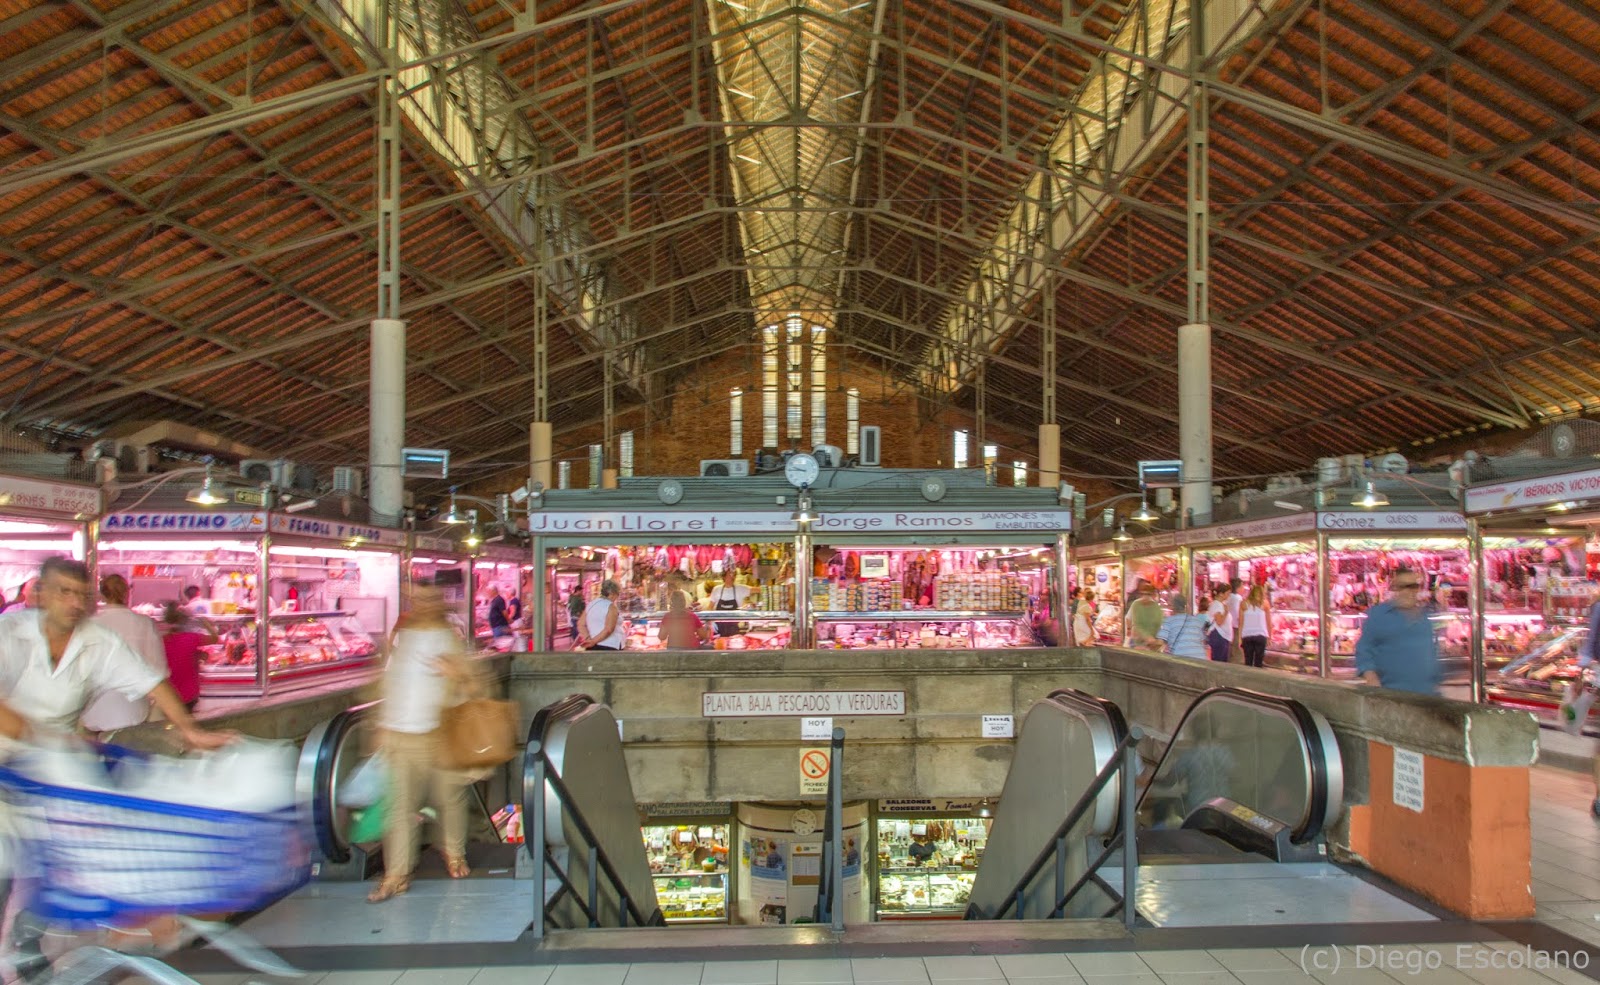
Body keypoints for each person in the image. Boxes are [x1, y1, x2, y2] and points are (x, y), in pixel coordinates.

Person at [0, 558, 230, 980]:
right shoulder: (10, 634)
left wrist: (190, 731)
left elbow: (152, 682)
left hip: (55, 768)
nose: (73, 603)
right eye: (64, 592)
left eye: (81, 595)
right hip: (9, 759)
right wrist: (37, 740)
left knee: (62, 855)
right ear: (42, 594)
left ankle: (30, 936)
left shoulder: (98, 641)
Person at [368, 584, 476, 903]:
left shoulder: (450, 638)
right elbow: (387, 681)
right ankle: (396, 875)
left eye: (430, 599)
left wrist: (455, 674)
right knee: (399, 805)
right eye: (419, 599)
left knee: (449, 797)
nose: (424, 604)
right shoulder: (401, 635)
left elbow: (472, 684)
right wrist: (382, 725)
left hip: (440, 732)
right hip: (399, 732)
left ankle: (454, 854)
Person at [82, 573, 168, 731]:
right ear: (127, 593)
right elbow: (158, 671)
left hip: (91, 713)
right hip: (132, 712)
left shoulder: (88, 624)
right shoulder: (144, 624)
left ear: (102, 594)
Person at [1353, 567, 1441, 696]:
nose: (1407, 591)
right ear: (1395, 589)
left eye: (1412, 586)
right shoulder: (1379, 615)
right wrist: (1372, 679)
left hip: (1425, 697)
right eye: (1402, 586)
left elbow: (1430, 655)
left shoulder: (1424, 619)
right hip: (1392, 696)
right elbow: (1363, 651)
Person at [160, 601, 215, 712]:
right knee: (189, 718)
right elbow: (215, 638)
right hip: (189, 693)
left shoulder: (162, 640)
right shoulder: (191, 638)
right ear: (185, 620)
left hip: (169, 693)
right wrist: (207, 624)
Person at [576, 580, 625, 651]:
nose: (617, 597)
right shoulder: (611, 607)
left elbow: (580, 624)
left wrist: (588, 639)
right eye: (617, 594)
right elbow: (608, 629)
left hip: (593, 645)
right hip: (610, 646)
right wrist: (593, 641)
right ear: (612, 593)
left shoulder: (591, 604)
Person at [703, 569, 751, 639]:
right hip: (719, 627)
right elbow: (710, 608)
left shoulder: (741, 588)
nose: (732, 577)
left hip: (734, 628)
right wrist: (710, 623)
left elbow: (759, 589)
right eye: (730, 574)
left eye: (734, 575)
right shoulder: (717, 590)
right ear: (724, 576)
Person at [1238, 582, 1271, 669]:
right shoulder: (1265, 604)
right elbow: (1269, 623)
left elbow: (1241, 623)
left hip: (1247, 636)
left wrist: (1239, 638)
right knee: (1258, 663)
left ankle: (1247, 680)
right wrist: (1269, 637)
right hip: (1261, 635)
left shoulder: (1243, 604)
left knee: (1248, 662)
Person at [1125, 583, 1165, 649]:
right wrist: (1147, 637)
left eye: (1148, 594)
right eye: (1143, 594)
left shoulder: (1156, 608)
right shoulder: (1136, 605)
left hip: (1151, 645)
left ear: (1153, 595)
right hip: (1137, 643)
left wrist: (1159, 639)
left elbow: (1159, 624)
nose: (1145, 596)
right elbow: (1136, 625)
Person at [1205, 583, 1233, 663]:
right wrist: (1226, 612)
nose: (1229, 596)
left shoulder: (1220, 605)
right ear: (1221, 594)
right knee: (1219, 661)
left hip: (1223, 636)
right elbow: (1219, 621)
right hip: (1219, 636)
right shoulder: (1217, 605)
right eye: (1227, 593)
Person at [1225, 578, 1245, 662]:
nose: (1243, 588)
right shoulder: (1238, 598)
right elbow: (1238, 614)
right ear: (1237, 588)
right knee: (1237, 647)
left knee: (1232, 647)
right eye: (1242, 586)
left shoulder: (1228, 597)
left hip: (1229, 625)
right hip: (1236, 626)